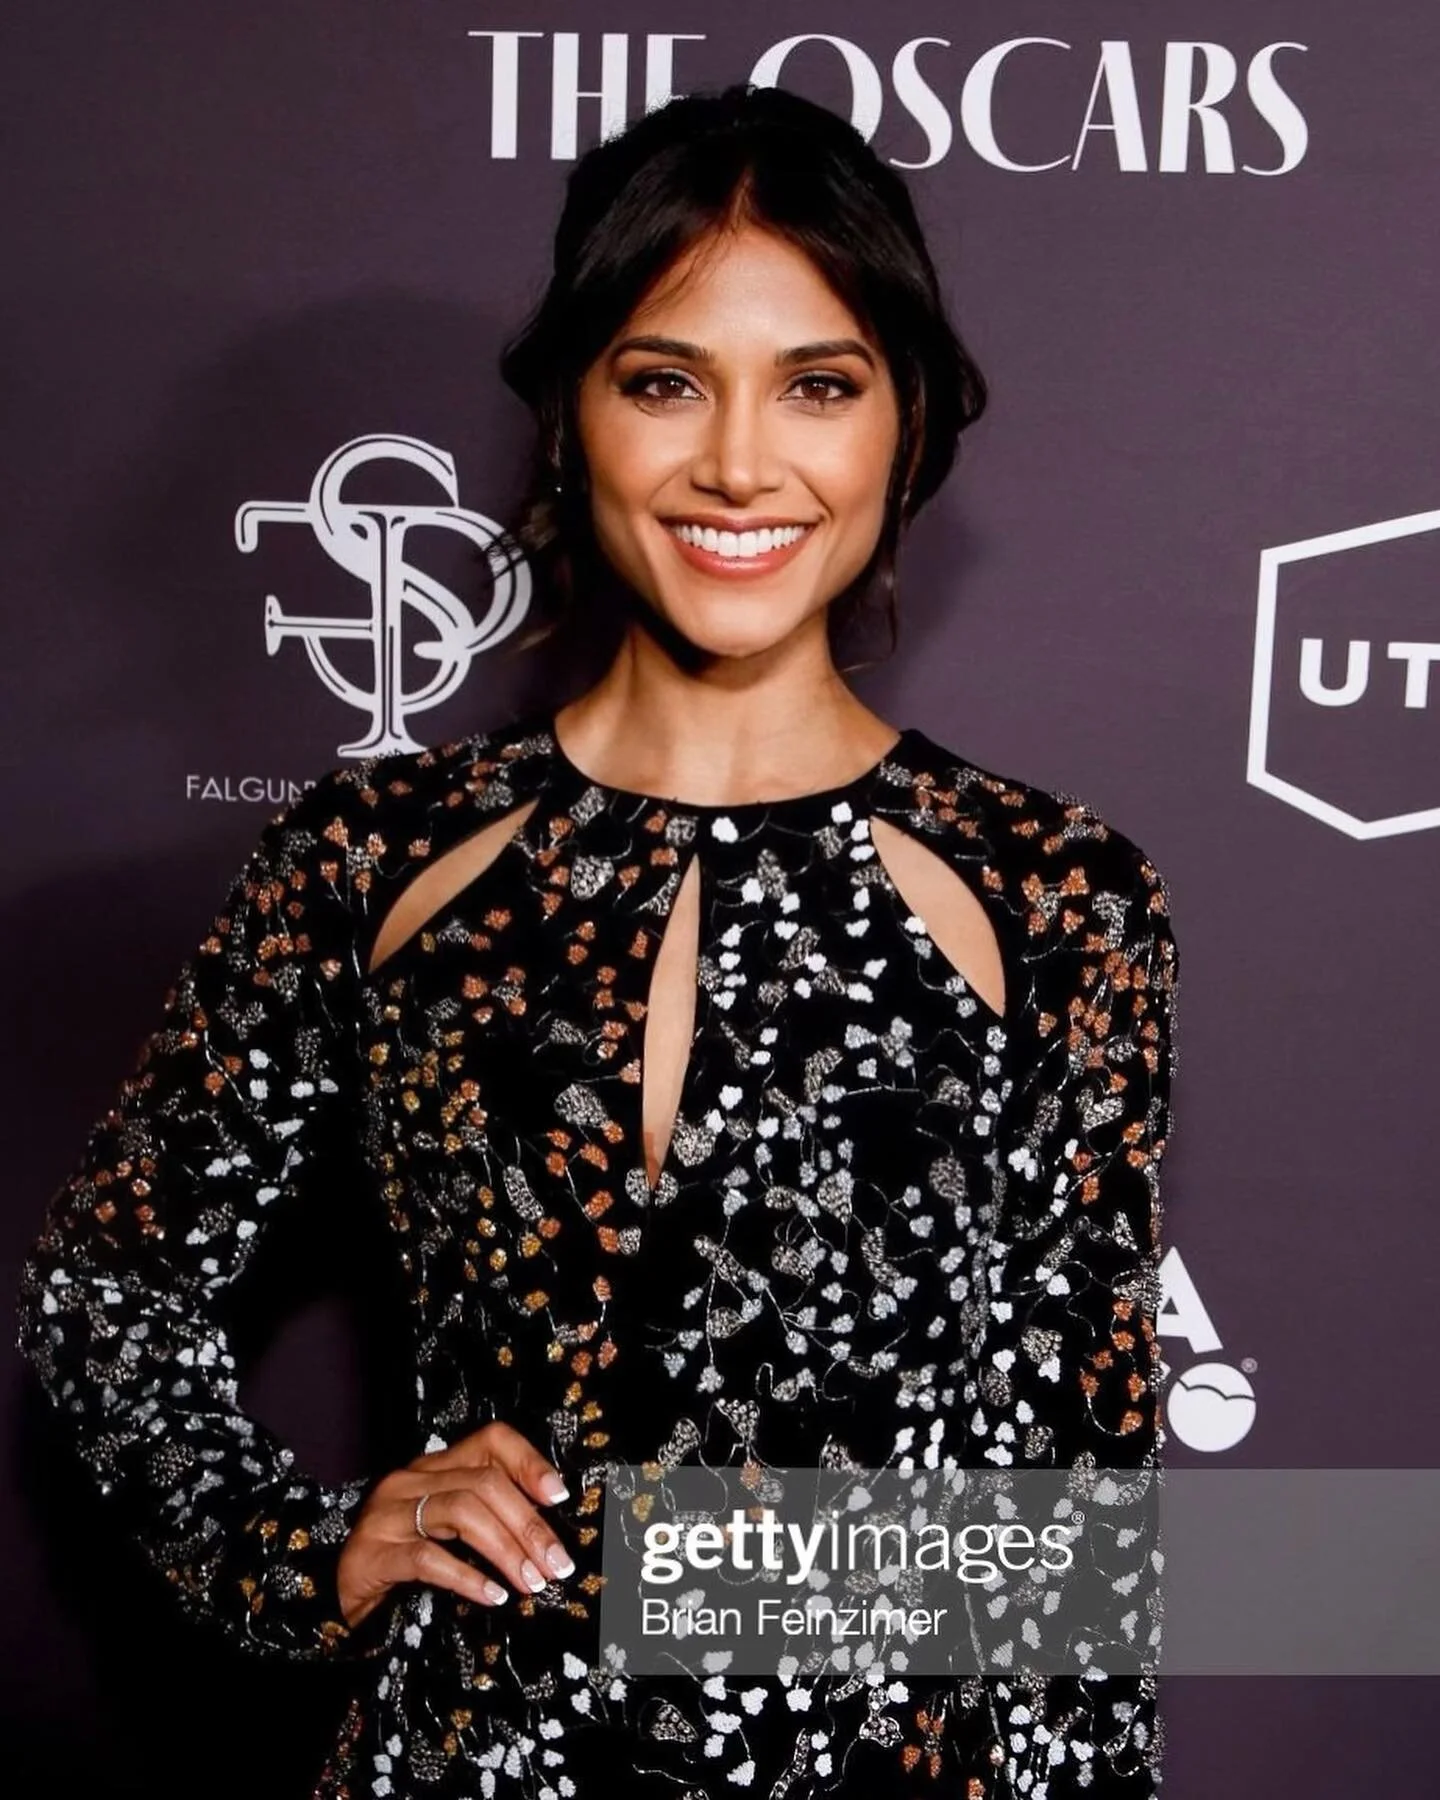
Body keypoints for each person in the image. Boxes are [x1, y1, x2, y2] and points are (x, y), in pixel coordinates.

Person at [15, 82, 1179, 1798]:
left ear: (905, 425)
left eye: (820, 385)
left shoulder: (1054, 890)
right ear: (572, 415)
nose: (737, 462)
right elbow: (109, 1290)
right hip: (462, 1762)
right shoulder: (379, 856)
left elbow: (1079, 1533)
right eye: (663, 380)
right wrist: (296, 1543)